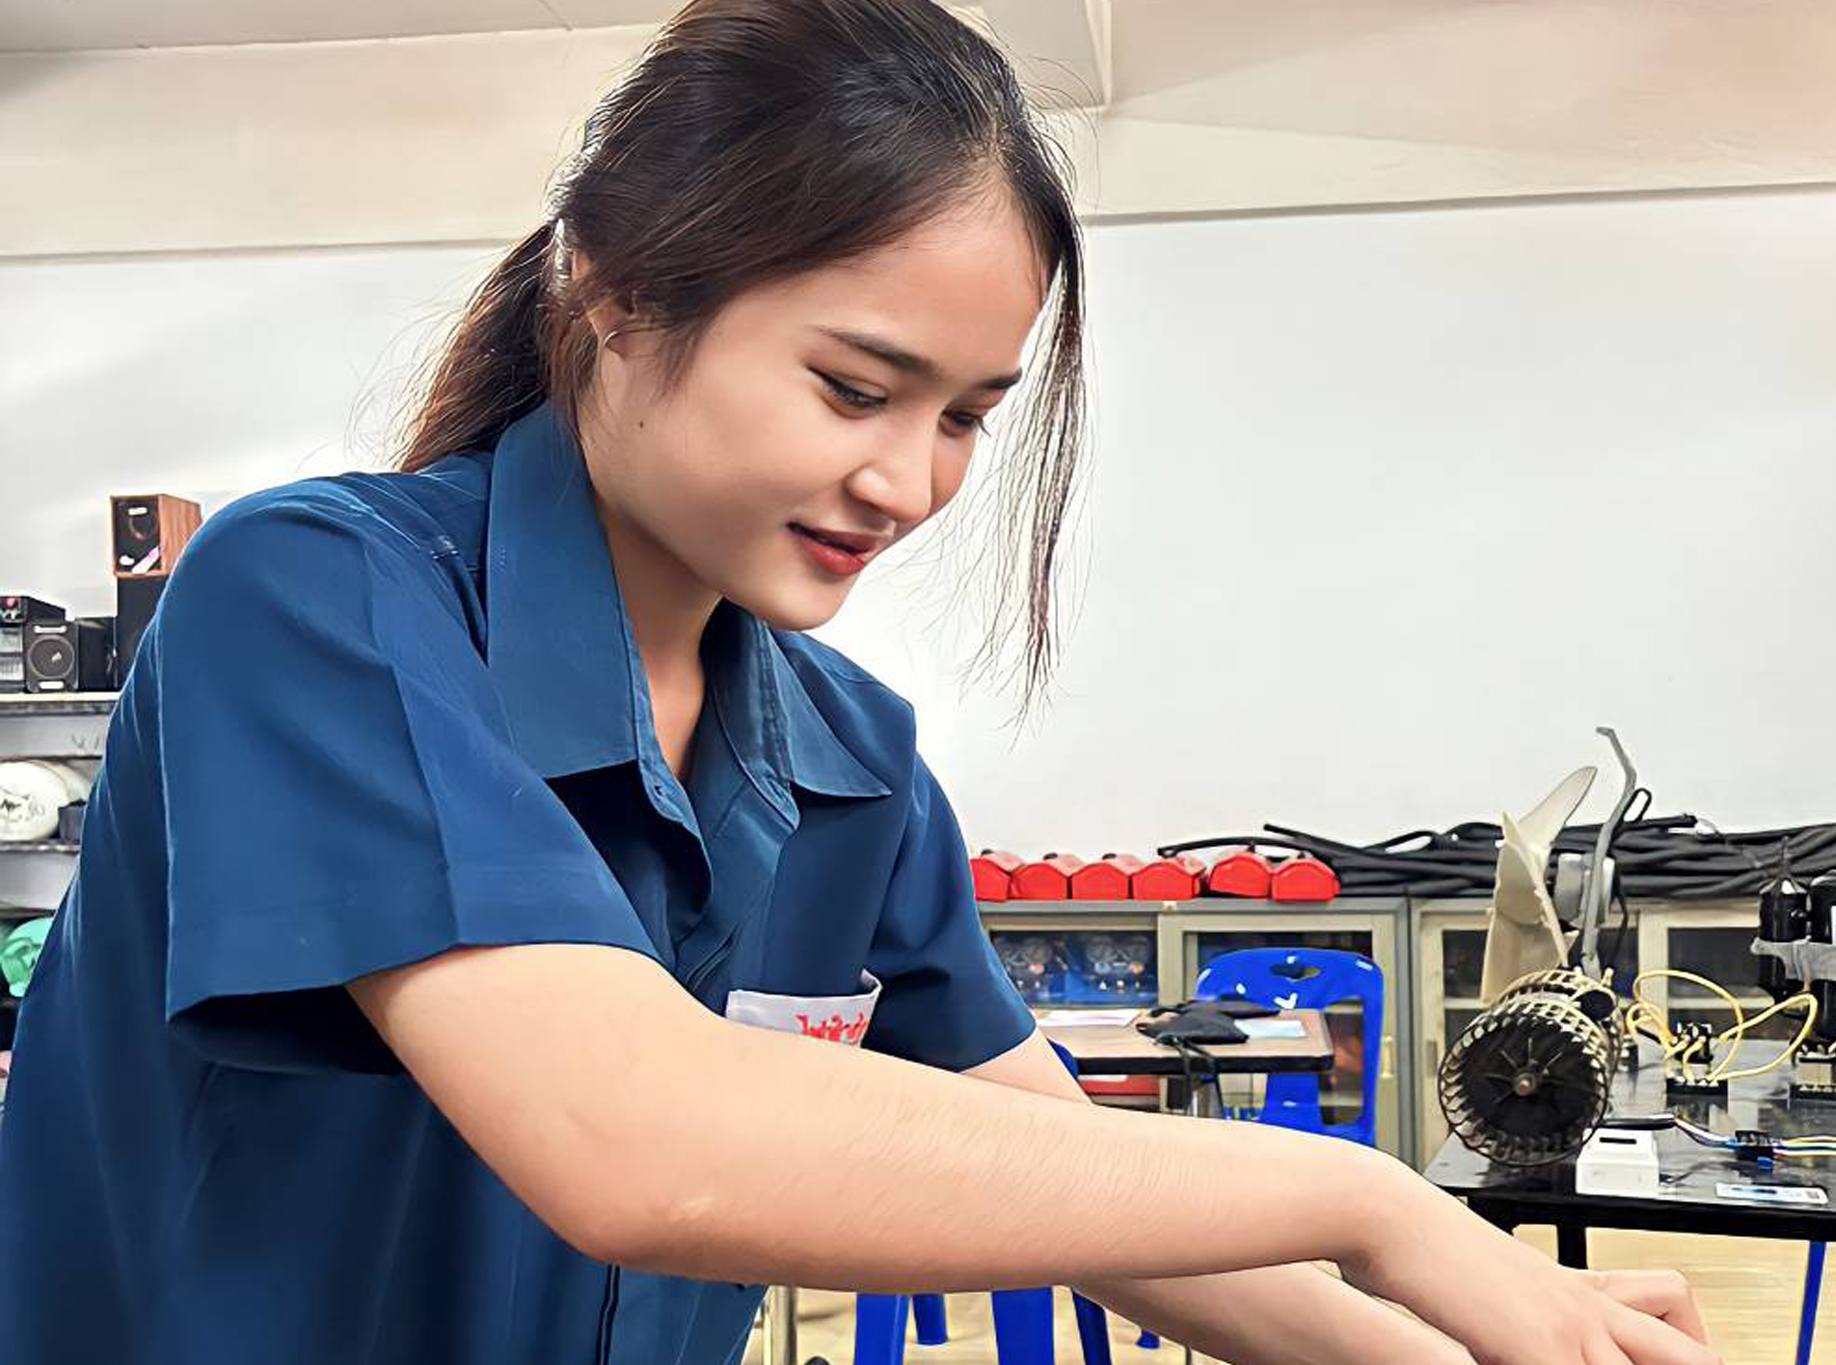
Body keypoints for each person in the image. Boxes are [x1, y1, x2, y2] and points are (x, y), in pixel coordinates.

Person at [0, 3, 1718, 1362]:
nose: (912, 483)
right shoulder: (316, 602)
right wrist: (1358, 1192)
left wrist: (1476, 1337)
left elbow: (1073, 1181)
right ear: (610, 293)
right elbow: (637, 1142)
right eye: (853, 387)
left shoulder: (846, 761)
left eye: (966, 415)